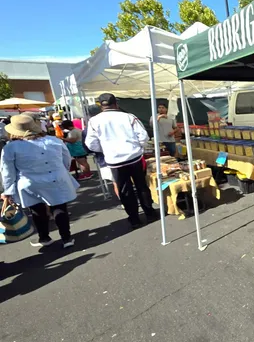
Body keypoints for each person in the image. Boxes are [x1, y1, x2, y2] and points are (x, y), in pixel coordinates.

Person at [0, 114, 78, 248]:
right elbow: (66, 159)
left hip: (29, 182)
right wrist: (60, 171)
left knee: (37, 211)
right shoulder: (54, 140)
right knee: (59, 207)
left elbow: (7, 171)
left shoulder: (11, 147)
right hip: (56, 177)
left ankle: (44, 237)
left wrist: (8, 190)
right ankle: (67, 238)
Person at [85, 93, 157, 227]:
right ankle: (149, 213)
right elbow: (143, 137)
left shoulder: (94, 121)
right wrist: (136, 147)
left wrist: (106, 149)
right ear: (116, 104)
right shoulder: (128, 117)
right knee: (141, 186)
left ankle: (134, 219)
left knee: (125, 190)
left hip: (114, 161)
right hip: (134, 157)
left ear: (101, 106)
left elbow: (91, 144)